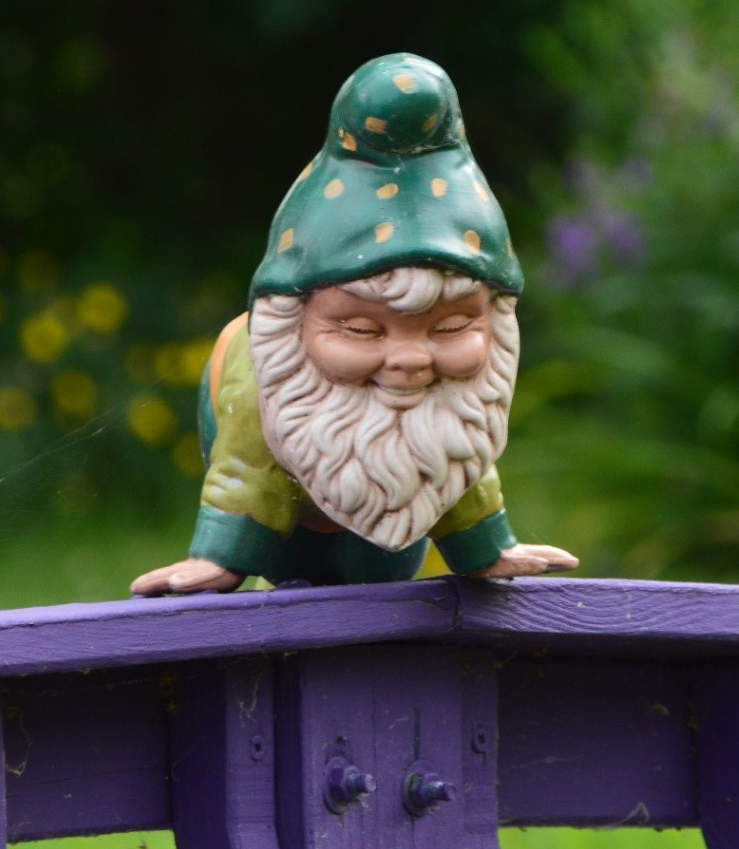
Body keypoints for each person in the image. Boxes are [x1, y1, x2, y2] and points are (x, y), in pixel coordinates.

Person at [132, 52, 577, 595]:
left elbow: (453, 452)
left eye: (449, 328)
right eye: (363, 330)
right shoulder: (265, 370)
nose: (410, 360)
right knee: (296, 582)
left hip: (391, 536)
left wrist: (487, 549)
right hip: (289, 528)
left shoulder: (454, 395)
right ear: (294, 321)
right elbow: (245, 467)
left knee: (385, 579)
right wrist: (220, 559)